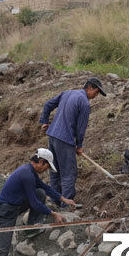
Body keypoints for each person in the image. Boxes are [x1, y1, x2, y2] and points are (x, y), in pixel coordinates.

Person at [39, 77, 106, 205]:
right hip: (64, 139)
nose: (96, 96)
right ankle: (66, 205)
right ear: (90, 87)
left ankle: (55, 201)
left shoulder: (68, 93)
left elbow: (48, 104)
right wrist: (79, 146)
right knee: (69, 173)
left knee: (55, 170)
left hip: (52, 136)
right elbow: (81, 129)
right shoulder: (84, 103)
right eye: (96, 92)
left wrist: (44, 121)